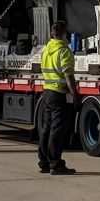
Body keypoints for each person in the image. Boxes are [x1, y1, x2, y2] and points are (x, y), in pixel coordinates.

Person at [36, 27, 76, 174]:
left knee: (46, 128)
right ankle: (56, 164)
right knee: (57, 130)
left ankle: (44, 162)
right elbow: (68, 75)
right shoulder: (64, 51)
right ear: (64, 34)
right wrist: (74, 92)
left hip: (46, 92)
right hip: (59, 93)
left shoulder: (46, 50)